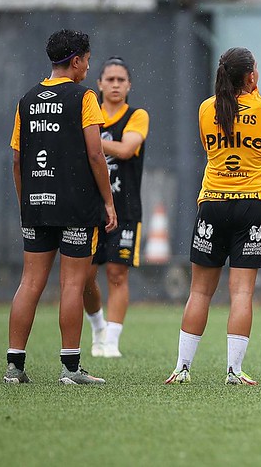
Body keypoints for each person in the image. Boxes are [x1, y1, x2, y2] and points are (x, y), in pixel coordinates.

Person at [4, 29, 117, 385]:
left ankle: (14, 367)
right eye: (87, 59)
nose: (88, 66)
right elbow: (96, 153)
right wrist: (108, 201)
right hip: (75, 204)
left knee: (30, 281)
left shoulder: (27, 99)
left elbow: (18, 161)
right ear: (76, 61)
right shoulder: (83, 97)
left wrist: (27, 202)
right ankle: (70, 370)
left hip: (36, 202)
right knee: (72, 284)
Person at [164, 47, 261, 386]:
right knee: (242, 293)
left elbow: (208, 146)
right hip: (253, 203)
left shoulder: (205, 108)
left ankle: (182, 367)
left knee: (199, 292)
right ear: (250, 76)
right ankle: (234, 370)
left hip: (213, 201)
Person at [82, 57, 149, 358]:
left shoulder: (136, 115)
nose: (115, 84)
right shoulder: (88, 114)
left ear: (129, 85)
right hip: (89, 208)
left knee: (117, 274)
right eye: (109, 79)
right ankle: (97, 325)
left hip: (125, 208)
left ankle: (112, 340)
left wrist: (90, 140)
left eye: (121, 80)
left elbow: (125, 149)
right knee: (84, 276)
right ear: (99, 83)